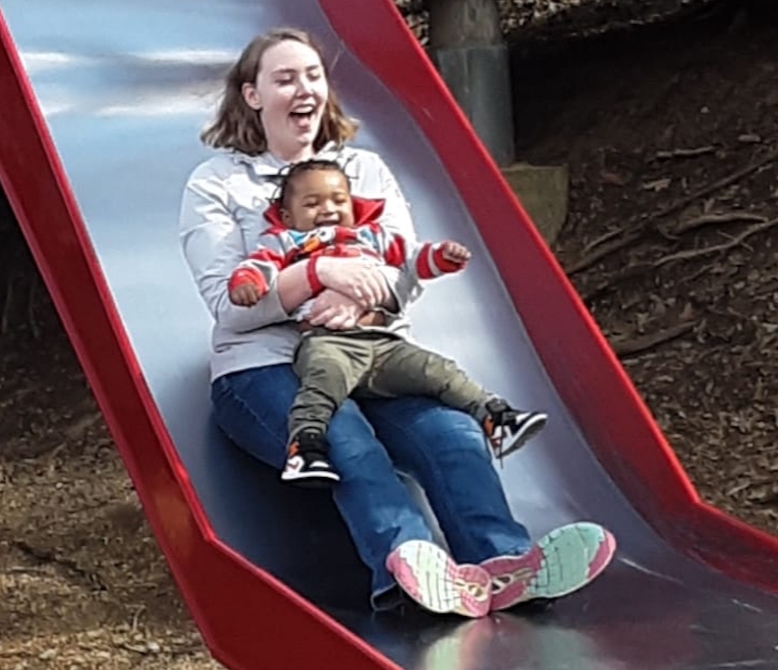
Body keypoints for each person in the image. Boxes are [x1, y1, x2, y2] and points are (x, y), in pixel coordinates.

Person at [179, 26, 615, 618]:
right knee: (346, 439)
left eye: (312, 75)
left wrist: (364, 300)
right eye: (284, 79)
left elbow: (404, 269)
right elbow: (229, 302)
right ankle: (408, 569)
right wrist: (319, 274)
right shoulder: (217, 184)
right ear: (253, 95)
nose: (302, 88)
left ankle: (501, 564)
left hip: (370, 348)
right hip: (266, 367)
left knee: (455, 433)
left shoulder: (363, 170)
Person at [227, 158, 547, 486]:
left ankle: (495, 417)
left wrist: (441, 257)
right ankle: (305, 447)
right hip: (328, 340)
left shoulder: (372, 237)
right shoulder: (286, 241)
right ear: (287, 216)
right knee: (323, 383)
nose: (328, 209)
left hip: (383, 342)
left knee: (437, 370)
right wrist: (247, 283)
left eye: (339, 201)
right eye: (312, 203)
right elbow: (259, 265)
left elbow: (411, 259)